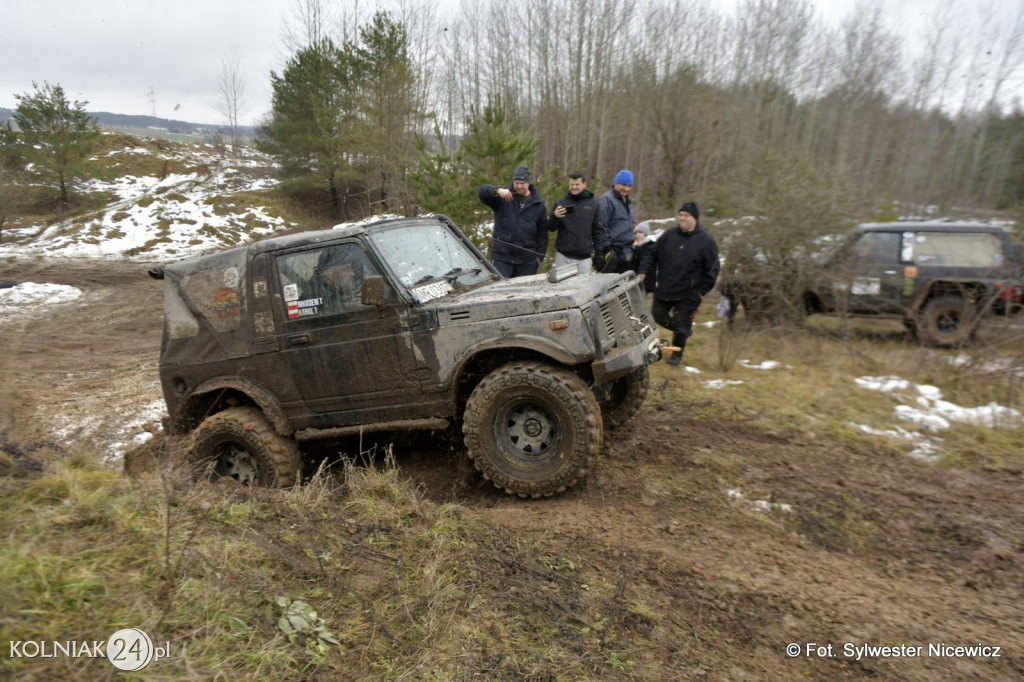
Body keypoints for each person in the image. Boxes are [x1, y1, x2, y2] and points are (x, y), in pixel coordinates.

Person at [638, 201, 720, 366]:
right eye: (680, 215)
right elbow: (651, 253)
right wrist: (643, 271)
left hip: (689, 292)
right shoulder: (669, 235)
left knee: (682, 320)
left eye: (686, 216)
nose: (682, 218)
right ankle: (682, 331)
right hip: (665, 287)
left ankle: (677, 355)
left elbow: (712, 268)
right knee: (658, 315)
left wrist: (701, 291)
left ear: (694, 218)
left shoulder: (706, 241)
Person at [478, 165, 548, 278]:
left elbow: (543, 233)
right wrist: (497, 190)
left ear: (528, 183)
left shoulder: (538, 204)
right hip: (502, 257)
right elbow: (482, 192)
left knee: (523, 293)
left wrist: (539, 257)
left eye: (522, 183)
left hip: (527, 261)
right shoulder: (502, 196)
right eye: (516, 183)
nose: (519, 186)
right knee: (498, 291)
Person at [545, 171, 602, 272]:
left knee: (583, 287)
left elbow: (597, 231)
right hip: (563, 257)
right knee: (561, 287)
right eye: (572, 184)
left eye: (577, 184)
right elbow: (551, 227)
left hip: (584, 259)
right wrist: (555, 217)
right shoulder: (561, 203)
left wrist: (599, 253)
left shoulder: (593, 205)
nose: (574, 187)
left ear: (584, 184)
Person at [595, 169, 637, 273]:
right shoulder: (606, 200)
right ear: (616, 183)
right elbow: (601, 226)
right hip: (613, 251)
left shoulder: (628, 202)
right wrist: (606, 250)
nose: (626, 189)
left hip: (626, 250)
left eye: (629, 186)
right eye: (623, 185)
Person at [630, 223, 657, 295]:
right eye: (635, 233)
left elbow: (646, 260)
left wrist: (642, 272)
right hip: (638, 279)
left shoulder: (650, 246)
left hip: (646, 279)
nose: (637, 235)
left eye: (640, 232)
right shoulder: (637, 246)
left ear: (645, 234)